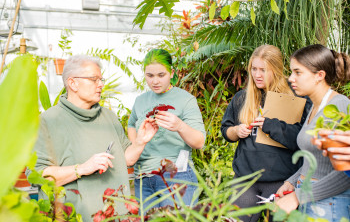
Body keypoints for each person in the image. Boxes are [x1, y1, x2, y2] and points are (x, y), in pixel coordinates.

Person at [30, 55, 158, 221]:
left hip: (118, 215)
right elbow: (39, 176)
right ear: (72, 83)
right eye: (93, 79)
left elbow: (126, 159)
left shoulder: (109, 117)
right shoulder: (48, 121)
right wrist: (82, 168)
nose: (101, 84)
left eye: (101, 79)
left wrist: (141, 142)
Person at [221, 44, 311, 222]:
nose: (257, 74)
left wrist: (272, 126)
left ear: (276, 70)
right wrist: (236, 131)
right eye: (254, 69)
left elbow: (303, 141)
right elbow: (226, 131)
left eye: (263, 70)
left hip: (280, 178)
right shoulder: (241, 97)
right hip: (245, 178)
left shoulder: (296, 97)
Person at [276, 44, 350, 221]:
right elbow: (315, 160)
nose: (291, 78)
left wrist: (297, 196)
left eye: (298, 72)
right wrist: (291, 182)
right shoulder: (315, 107)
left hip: (328, 204)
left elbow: (346, 174)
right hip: (308, 196)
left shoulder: (339, 106)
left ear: (319, 76)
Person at [127, 49, 206, 211]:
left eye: (161, 75)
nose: (155, 81)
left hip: (176, 176)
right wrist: (137, 144)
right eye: (150, 76)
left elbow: (199, 142)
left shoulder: (185, 100)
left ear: (172, 72)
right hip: (143, 178)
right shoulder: (140, 101)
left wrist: (180, 126)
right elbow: (131, 123)